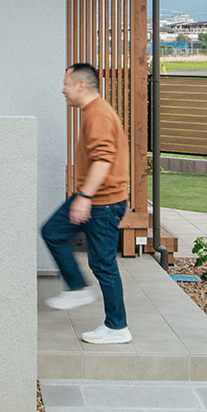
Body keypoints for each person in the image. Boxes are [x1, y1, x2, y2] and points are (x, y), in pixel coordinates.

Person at [40, 63, 132, 344]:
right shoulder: (93, 112)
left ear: (81, 85)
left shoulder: (99, 115)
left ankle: (117, 327)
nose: (63, 90)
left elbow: (103, 160)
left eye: (66, 84)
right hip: (97, 199)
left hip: (102, 202)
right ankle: (78, 286)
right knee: (53, 232)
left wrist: (84, 197)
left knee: (103, 263)